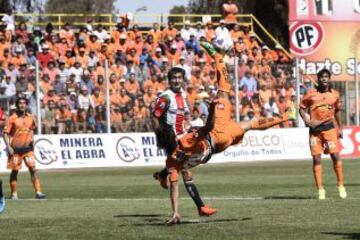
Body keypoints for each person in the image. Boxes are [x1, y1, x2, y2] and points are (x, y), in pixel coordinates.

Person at [160, 41, 292, 224]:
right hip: (216, 136)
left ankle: (187, 199)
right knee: (247, 120)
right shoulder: (186, 140)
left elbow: (202, 128)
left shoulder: (181, 144)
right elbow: (206, 127)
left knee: (244, 117)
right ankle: (197, 204)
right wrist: (211, 111)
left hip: (217, 138)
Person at [151, 67, 217, 219]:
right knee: (183, 171)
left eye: (179, 77)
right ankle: (194, 208)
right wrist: (160, 138)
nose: (177, 80)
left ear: (183, 79)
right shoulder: (165, 97)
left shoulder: (183, 95)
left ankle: (162, 175)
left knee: (183, 169)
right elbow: (154, 117)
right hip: (171, 140)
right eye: (173, 78)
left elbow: (185, 115)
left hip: (183, 137)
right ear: (169, 80)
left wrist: (188, 125)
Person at [299, 68, 347, 200]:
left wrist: (340, 128)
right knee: (316, 158)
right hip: (315, 131)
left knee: (335, 156)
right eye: (321, 77)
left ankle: (341, 185)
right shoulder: (310, 94)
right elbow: (301, 108)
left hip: (329, 129)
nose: (324, 79)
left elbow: (337, 111)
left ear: (329, 79)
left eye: (326, 76)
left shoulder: (334, 94)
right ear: (318, 79)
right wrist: (306, 120)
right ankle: (320, 190)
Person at [3, 97, 46, 200]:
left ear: (26, 105)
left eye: (24, 103)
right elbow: (5, 133)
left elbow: (31, 130)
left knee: (33, 169)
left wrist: (32, 140)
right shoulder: (12, 118)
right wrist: (8, 146)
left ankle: (38, 192)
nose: (22, 105)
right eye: (20, 103)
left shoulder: (31, 117)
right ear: (17, 105)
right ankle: (14, 194)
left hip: (28, 149)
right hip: (15, 150)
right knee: (14, 171)